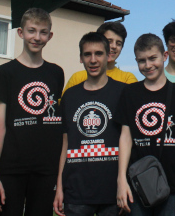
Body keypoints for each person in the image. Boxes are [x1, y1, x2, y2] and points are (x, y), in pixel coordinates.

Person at [0, 8, 65, 216]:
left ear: (50, 36)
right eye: (32, 31)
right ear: (21, 32)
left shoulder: (56, 73)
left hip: (45, 170)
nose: (37, 37)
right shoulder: (5, 72)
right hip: (11, 168)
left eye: (43, 32)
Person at [116, 33, 175, 216]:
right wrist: (121, 181)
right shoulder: (129, 93)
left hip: (174, 185)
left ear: (164, 56)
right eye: (141, 60)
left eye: (153, 58)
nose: (148, 65)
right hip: (138, 186)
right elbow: (125, 138)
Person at [54, 32, 124, 216]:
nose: (93, 60)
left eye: (99, 53)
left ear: (108, 56)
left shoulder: (123, 92)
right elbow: (65, 144)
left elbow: (128, 141)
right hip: (76, 192)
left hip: (113, 192)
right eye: (87, 54)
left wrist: (124, 183)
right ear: (81, 58)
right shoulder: (69, 96)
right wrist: (59, 186)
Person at [63, 22, 137, 93]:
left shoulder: (128, 79)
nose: (114, 46)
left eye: (118, 43)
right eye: (109, 41)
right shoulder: (77, 78)